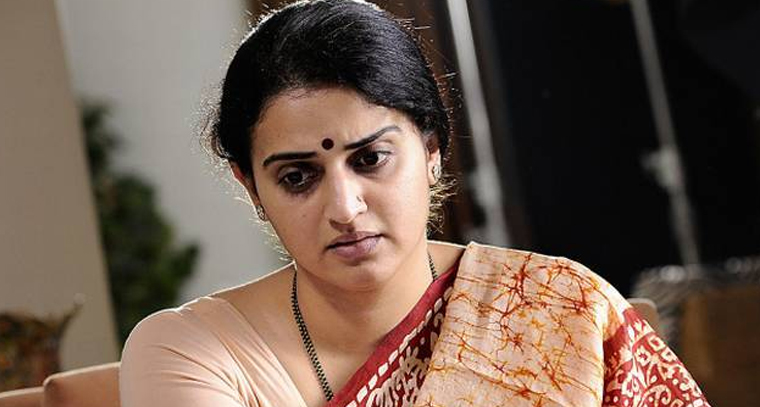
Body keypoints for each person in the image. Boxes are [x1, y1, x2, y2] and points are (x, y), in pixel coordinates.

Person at [119, 1, 711, 406]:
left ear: (432, 150)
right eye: (298, 177)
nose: (345, 208)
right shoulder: (195, 353)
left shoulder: (560, 308)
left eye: (370, 159)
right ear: (252, 188)